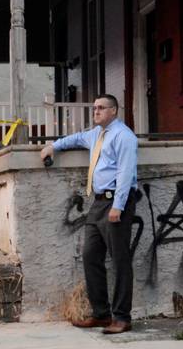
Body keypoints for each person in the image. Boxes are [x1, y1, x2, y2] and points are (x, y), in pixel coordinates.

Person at [40, 94, 138, 334]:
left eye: (101, 108)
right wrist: (53, 146)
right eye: (94, 108)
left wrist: (118, 206)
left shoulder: (124, 136)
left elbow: (126, 173)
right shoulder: (95, 134)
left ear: (114, 111)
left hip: (116, 202)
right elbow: (74, 139)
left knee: (120, 260)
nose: (96, 111)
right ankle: (101, 314)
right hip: (97, 203)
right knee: (90, 256)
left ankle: (122, 318)